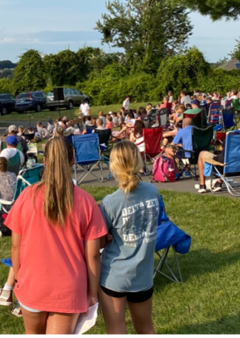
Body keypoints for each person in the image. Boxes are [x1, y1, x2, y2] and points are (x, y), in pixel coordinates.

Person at [5, 137, 107, 335]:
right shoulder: (86, 201)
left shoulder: (27, 196)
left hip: (32, 283)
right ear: (72, 159)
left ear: (45, 161)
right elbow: (93, 255)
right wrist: (93, 293)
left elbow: (15, 246)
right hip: (69, 288)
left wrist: (18, 278)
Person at [98, 141, 158, 336]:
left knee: (116, 331)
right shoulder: (153, 192)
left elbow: (98, 240)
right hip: (143, 274)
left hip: (114, 276)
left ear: (113, 166)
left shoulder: (110, 203)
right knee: (146, 329)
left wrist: (106, 238)